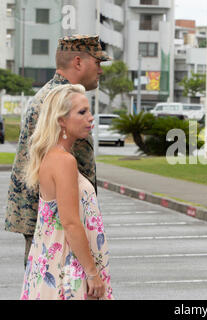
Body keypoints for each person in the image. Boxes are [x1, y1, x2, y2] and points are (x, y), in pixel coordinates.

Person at [5, 35, 111, 268]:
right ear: (78, 62)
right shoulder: (60, 102)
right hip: (57, 227)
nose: (101, 71)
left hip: (53, 222)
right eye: (98, 63)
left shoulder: (55, 96)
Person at [20, 84, 113, 300]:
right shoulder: (63, 161)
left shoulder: (53, 156)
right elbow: (70, 223)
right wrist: (92, 273)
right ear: (61, 120)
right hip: (68, 266)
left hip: (57, 263)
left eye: (89, 111)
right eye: (82, 112)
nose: (91, 118)